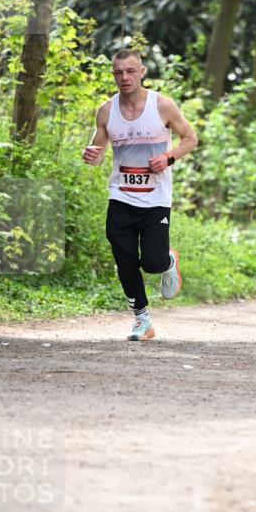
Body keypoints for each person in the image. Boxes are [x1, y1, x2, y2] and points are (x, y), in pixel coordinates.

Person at [83, 48, 198, 341]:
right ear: (113, 75)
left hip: (155, 199)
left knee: (151, 262)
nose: (125, 77)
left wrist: (168, 158)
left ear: (142, 72)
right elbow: (98, 153)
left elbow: (190, 138)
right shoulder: (106, 110)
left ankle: (168, 261)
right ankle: (142, 320)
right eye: (119, 72)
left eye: (130, 71)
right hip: (120, 196)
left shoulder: (162, 106)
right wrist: (91, 155)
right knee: (124, 259)